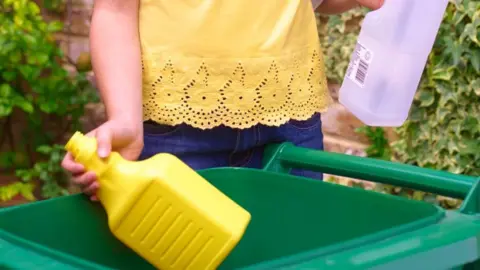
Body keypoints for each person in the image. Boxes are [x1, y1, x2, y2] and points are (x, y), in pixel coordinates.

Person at [62, 0, 384, 201]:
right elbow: (116, 9)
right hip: (177, 127)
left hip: (290, 120)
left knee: (290, 255)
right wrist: (124, 120)